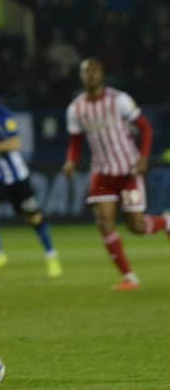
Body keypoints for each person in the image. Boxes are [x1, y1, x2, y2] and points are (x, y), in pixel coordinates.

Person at [63, 58, 169, 291]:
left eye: (95, 71)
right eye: (86, 72)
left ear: (101, 75)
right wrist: (71, 161)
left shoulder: (118, 100)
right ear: (81, 77)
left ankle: (167, 221)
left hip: (128, 171)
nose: (91, 75)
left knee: (137, 226)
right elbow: (76, 140)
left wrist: (143, 157)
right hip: (102, 174)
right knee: (104, 223)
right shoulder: (76, 108)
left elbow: (145, 127)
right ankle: (129, 277)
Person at [0, 78, 62, 277]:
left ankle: (51, 255)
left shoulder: (4, 117)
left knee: (34, 217)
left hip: (16, 178)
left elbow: (15, 144)